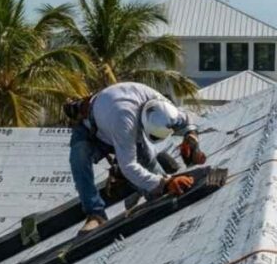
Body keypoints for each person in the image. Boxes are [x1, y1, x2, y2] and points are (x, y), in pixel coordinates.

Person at [66, 82, 207, 234]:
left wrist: (192, 141)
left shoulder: (162, 106)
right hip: (93, 132)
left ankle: (136, 186)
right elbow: (129, 166)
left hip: (118, 127)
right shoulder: (125, 122)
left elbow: (185, 120)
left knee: (158, 187)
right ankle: (96, 214)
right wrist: (165, 183)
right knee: (79, 157)